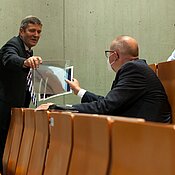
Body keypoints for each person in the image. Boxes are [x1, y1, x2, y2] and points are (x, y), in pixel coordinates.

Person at [37, 35, 171, 123]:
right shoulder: (136, 68)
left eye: (108, 54)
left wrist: (58, 108)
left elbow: (106, 107)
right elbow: (110, 103)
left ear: (115, 55)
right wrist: (79, 91)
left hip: (149, 136)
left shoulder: (133, 70)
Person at [0, 15, 43, 172]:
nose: (36, 35)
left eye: (39, 31)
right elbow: (9, 58)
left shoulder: (28, 51)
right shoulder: (12, 45)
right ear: (21, 31)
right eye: (32, 30)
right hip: (3, 109)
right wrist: (24, 62)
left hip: (16, 108)